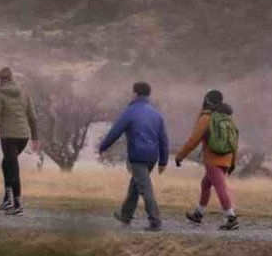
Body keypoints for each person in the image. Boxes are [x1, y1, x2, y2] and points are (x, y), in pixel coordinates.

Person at [99, 81, 168, 231]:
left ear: (135, 93)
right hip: (152, 157)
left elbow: (115, 131)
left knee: (144, 188)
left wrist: (103, 146)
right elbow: (163, 139)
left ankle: (155, 221)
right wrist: (163, 161)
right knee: (136, 185)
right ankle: (125, 214)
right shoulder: (156, 114)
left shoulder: (130, 111)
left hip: (138, 155)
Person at [176, 89, 240, 231]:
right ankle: (198, 213)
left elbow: (193, 140)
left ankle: (231, 218)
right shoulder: (227, 117)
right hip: (227, 158)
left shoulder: (206, 118)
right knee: (206, 184)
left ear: (207, 100)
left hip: (213, 159)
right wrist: (233, 161)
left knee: (220, 187)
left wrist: (180, 156)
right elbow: (234, 140)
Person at [0, 66, 39, 216]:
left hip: (8, 136)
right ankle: (7, 199)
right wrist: (35, 137)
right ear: (12, 77)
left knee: (13, 168)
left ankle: (17, 205)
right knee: (7, 163)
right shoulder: (24, 93)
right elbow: (33, 117)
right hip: (23, 136)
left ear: (1, 79)